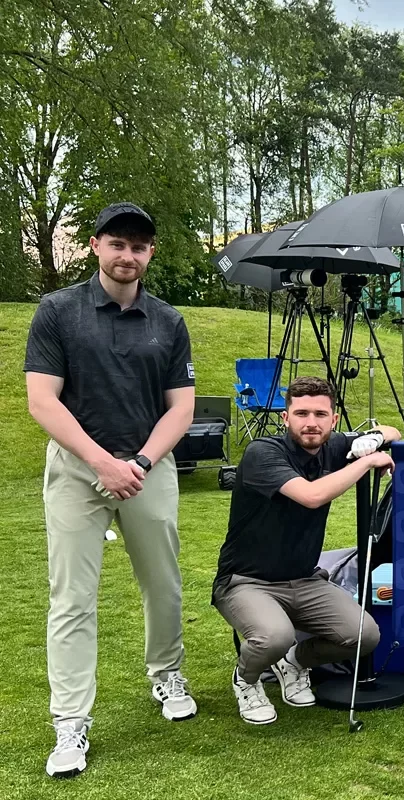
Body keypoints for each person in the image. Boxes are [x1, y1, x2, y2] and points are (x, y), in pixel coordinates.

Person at [24, 203, 197, 778]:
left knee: (163, 584)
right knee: (72, 598)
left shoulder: (168, 320)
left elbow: (181, 408)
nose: (128, 255)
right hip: (78, 470)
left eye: (139, 246)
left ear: (151, 253)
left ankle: (167, 674)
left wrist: (140, 461)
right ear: (96, 245)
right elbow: (42, 400)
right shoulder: (58, 310)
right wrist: (102, 462)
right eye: (118, 244)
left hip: (148, 466)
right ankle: (70, 721)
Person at [212, 376, 399, 724]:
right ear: (286, 418)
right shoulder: (263, 452)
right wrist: (364, 462)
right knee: (274, 637)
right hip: (246, 580)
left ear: (333, 419)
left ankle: (294, 663)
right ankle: (246, 680)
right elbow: (311, 496)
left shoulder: (334, 445)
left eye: (320, 414)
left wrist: (374, 439)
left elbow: (393, 431)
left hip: (304, 578)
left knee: (365, 635)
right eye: (301, 414)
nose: (311, 423)